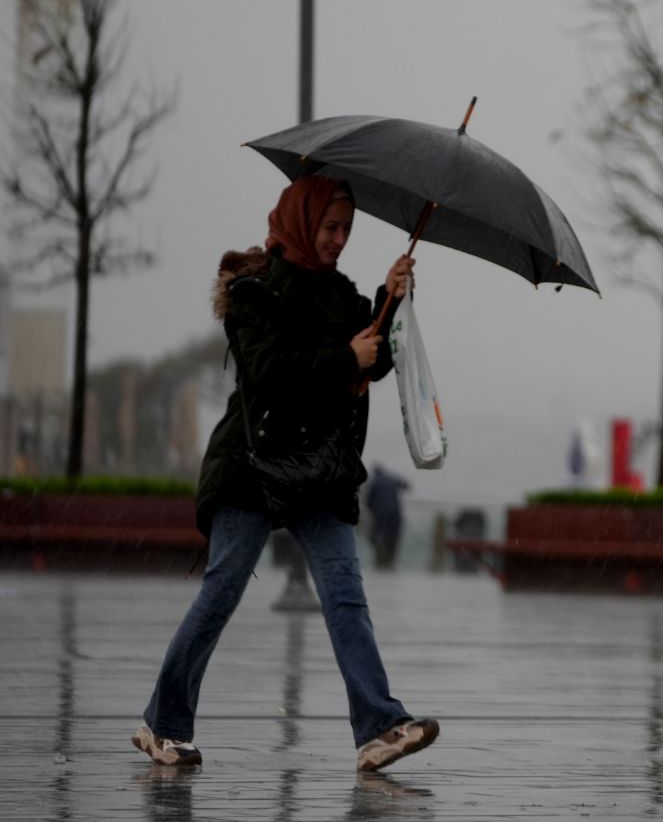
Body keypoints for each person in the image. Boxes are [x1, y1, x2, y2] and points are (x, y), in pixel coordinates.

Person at [133, 176, 440, 773]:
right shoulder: (256, 294)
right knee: (222, 592)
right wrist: (342, 358)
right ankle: (162, 725)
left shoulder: (341, 293)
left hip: (316, 471)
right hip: (251, 464)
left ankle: (378, 726)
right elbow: (270, 373)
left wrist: (392, 296)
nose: (340, 239)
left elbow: (372, 353)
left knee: (345, 594)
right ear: (302, 222)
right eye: (331, 227)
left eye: (347, 229)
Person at [364, 463, 410, 570]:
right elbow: (406, 486)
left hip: (381, 514)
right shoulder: (392, 478)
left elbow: (368, 501)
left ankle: (380, 562)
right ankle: (391, 561)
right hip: (395, 512)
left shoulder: (374, 482)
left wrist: (372, 511)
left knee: (378, 536)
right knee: (393, 537)